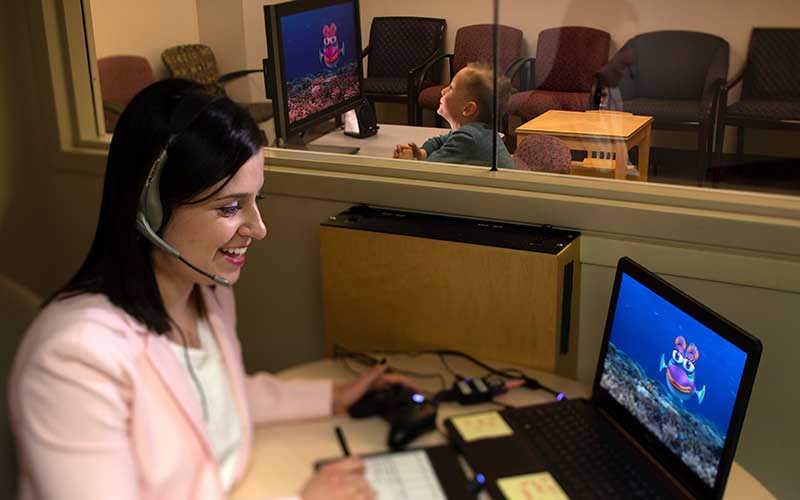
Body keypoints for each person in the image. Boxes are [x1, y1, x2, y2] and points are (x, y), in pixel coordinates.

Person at [8, 79, 414, 500]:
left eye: (257, 200)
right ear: (150, 208)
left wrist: (333, 396)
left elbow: (214, 400)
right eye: (230, 207)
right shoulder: (75, 361)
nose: (258, 229)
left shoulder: (206, 291)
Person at [394, 61, 514, 168]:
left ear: (468, 109)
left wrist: (406, 162)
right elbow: (439, 141)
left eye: (451, 88)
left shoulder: (468, 139)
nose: (443, 91)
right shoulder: (478, 133)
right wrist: (422, 153)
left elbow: (426, 171)